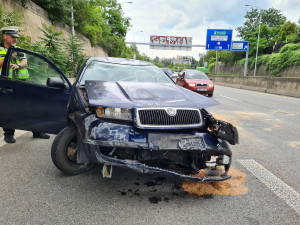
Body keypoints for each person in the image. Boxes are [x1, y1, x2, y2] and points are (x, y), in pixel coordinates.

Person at [0, 26, 50, 143]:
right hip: (6, 85)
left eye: (16, 37)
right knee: (8, 110)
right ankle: (9, 134)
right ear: (5, 36)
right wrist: (8, 58)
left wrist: (19, 65)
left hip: (22, 84)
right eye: (13, 37)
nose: (15, 40)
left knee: (30, 107)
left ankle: (37, 131)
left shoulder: (18, 50)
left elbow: (25, 61)